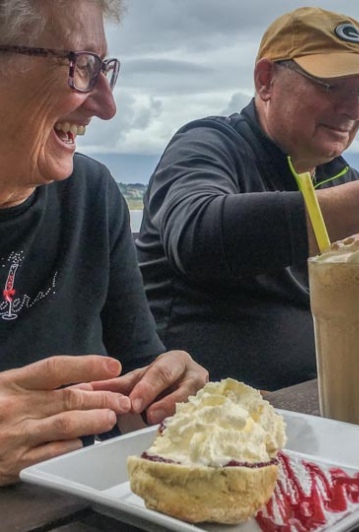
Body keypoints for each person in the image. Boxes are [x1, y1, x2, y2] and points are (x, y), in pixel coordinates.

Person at [137, 7, 359, 391]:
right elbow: (197, 237)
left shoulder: (342, 180)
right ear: (265, 80)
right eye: (331, 85)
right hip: (210, 424)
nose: (353, 109)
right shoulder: (207, 145)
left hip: (329, 414)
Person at [0, 0, 208, 486]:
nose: (106, 105)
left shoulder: (92, 195)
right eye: (81, 68)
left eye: (105, 69)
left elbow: (136, 372)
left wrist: (166, 385)